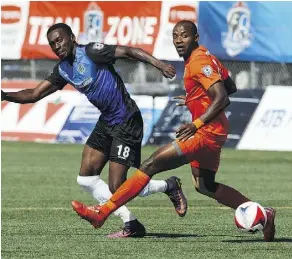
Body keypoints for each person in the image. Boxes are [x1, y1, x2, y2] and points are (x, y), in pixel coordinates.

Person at [71, 20, 276, 242]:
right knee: (204, 186)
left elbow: (223, 97)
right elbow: (231, 86)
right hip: (214, 133)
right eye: (175, 36)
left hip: (204, 134)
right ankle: (264, 214)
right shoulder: (206, 57)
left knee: (150, 165)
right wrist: (194, 98)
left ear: (195, 37)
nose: (179, 40)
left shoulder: (198, 61)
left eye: (184, 36)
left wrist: (196, 124)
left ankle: (102, 213)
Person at [1, 23, 188, 238]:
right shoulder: (62, 70)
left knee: (118, 186)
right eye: (52, 44)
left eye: (60, 40)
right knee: (86, 179)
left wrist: (159, 64)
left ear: (71, 37)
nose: (57, 46)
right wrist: (5, 96)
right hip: (107, 122)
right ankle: (131, 223)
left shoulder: (91, 52)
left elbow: (128, 51)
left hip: (127, 120)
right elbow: (34, 94)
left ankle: (169, 185)